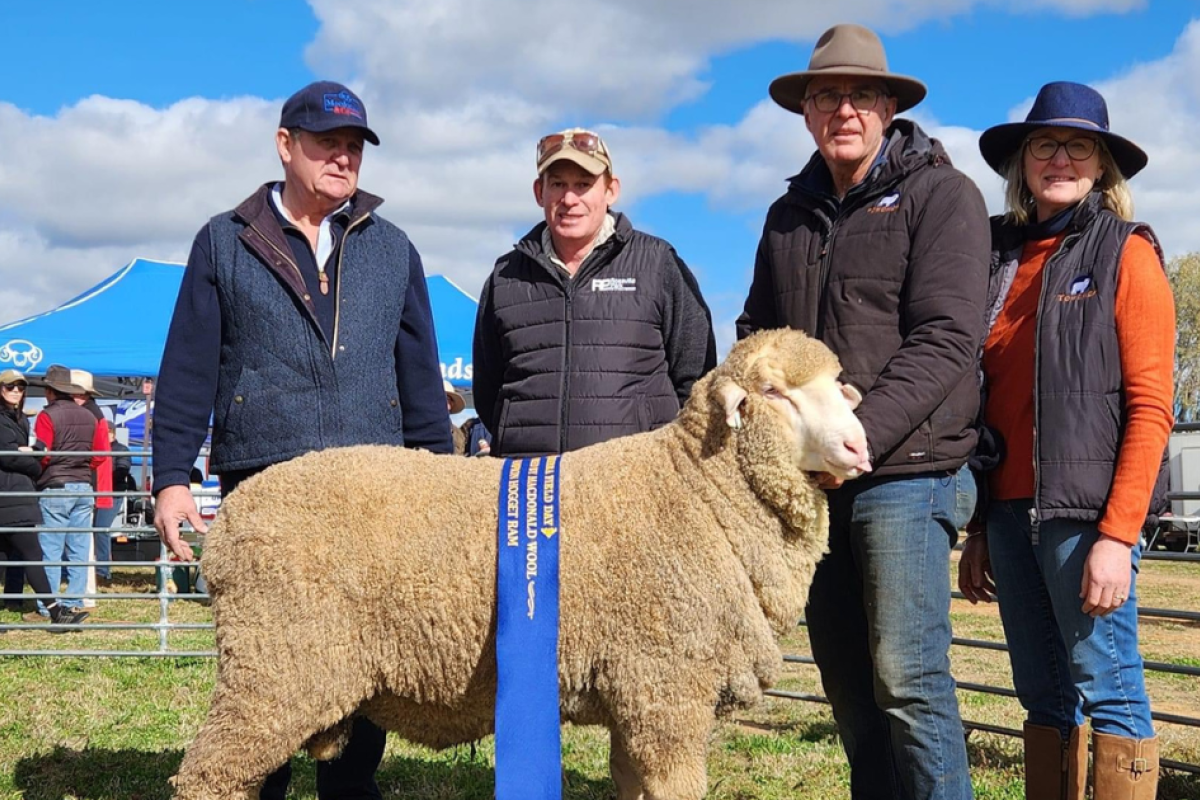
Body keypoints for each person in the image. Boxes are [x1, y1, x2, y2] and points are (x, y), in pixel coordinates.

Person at [152, 80, 453, 800]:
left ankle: (350, 788)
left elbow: (420, 377)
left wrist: (446, 489)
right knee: (271, 669)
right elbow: (189, 368)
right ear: (285, 146)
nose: (344, 158)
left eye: (354, 147)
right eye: (328, 144)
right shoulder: (225, 242)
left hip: (377, 493)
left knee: (373, 656)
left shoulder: (394, 248)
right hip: (268, 484)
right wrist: (170, 476)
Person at [737, 23, 989, 799]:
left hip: (907, 473)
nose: (842, 110)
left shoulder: (942, 196)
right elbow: (754, 333)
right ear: (806, 112)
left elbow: (948, 338)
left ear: (887, 106)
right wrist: (778, 417)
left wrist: (855, 432)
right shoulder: (789, 215)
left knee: (907, 678)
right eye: (825, 96)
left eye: (859, 95)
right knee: (848, 684)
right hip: (817, 484)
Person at [957, 82, 1171, 800]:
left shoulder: (1125, 253)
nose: (1060, 157)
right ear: (1022, 162)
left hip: (1084, 519)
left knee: (1108, 688)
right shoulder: (997, 258)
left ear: (1103, 166)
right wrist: (983, 524)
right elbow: (990, 405)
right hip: (1012, 515)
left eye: (1080, 145)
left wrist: (1118, 533)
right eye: (1044, 143)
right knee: (1043, 697)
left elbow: (1150, 408)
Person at [473, 127, 716, 457]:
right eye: (558, 184)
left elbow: (698, 380)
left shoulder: (658, 264)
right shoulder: (505, 277)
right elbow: (489, 394)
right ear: (538, 192)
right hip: (530, 482)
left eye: (583, 184)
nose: (569, 199)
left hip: (633, 484)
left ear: (611, 190)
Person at [0, 370, 89, 630]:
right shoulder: (6, 420)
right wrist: (36, 463)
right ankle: (54, 612)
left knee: (25, 552)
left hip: (19, 494)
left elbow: (26, 452)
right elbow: (8, 456)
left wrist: (33, 452)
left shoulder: (20, 419)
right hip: (11, 496)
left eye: (20, 386)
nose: (16, 391)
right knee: (34, 552)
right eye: (9, 386)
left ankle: (54, 611)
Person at [30, 365, 104, 621]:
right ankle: (74, 600)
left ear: (50, 391)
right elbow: (97, 455)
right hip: (84, 485)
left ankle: (48, 606)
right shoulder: (90, 417)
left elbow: (44, 453)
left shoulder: (46, 416)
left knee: (50, 548)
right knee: (79, 547)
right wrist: (81, 468)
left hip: (56, 484)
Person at [70, 369, 114, 584]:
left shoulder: (93, 415)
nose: (76, 396)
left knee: (87, 533)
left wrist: (81, 466)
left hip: (91, 480)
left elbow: (100, 453)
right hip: (91, 478)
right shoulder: (92, 413)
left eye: (81, 393)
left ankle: (88, 579)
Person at [444, 380, 467, 454]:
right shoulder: (419, 428)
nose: (441, 401)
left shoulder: (459, 435)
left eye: (446, 399)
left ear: (451, 404)